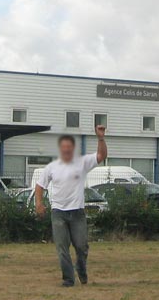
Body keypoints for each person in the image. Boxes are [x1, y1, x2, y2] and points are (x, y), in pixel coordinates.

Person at [35, 123, 108, 287]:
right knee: (62, 248)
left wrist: (101, 138)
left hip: (77, 213)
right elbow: (40, 186)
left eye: (69, 147)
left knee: (81, 246)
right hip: (58, 213)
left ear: (73, 148)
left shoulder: (82, 162)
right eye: (64, 147)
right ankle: (68, 279)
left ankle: (81, 269)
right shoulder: (52, 167)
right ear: (60, 149)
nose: (66, 149)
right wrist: (39, 203)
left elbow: (101, 155)